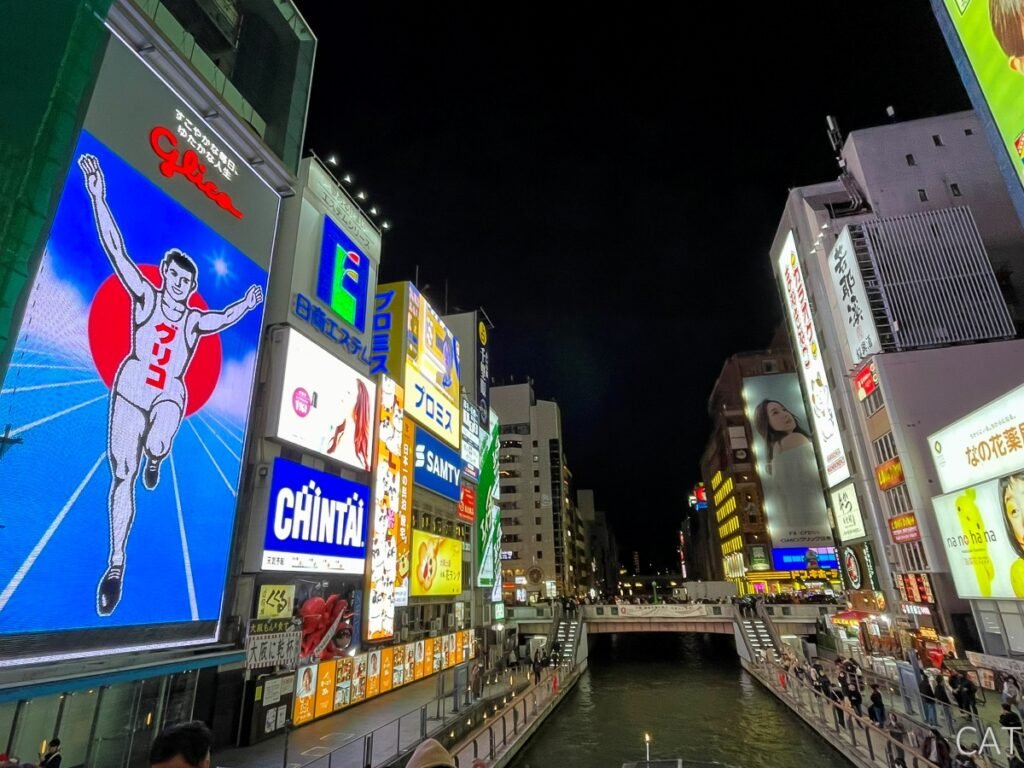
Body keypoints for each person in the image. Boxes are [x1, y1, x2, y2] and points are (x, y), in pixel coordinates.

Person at [78, 154, 264, 617]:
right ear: (166, 275)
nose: (179, 285)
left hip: (166, 395)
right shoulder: (145, 296)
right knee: (122, 474)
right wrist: (98, 195)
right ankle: (116, 564)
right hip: (130, 389)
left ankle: (157, 455)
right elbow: (116, 249)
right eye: (175, 277)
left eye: (187, 281)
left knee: (161, 429)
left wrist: (245, 303)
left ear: (192, 285)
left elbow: (221, 318)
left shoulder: (195, 319)